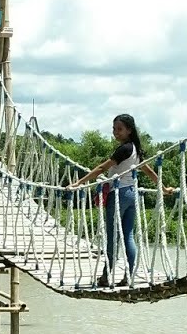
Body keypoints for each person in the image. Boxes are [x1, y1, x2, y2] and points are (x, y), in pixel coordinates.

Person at [71, 114, 174, 287]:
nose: (115, 133)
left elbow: (102, 167)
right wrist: (163, 189)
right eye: (114, 129)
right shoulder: (135, 150)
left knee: (112, 238)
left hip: (118, 195)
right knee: (128, 236)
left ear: (129, 130)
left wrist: (79, 183)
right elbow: (148, 172)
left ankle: (105, 277)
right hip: (132, 194)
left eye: (119, 129)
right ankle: (129, 276)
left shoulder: (124, 149)